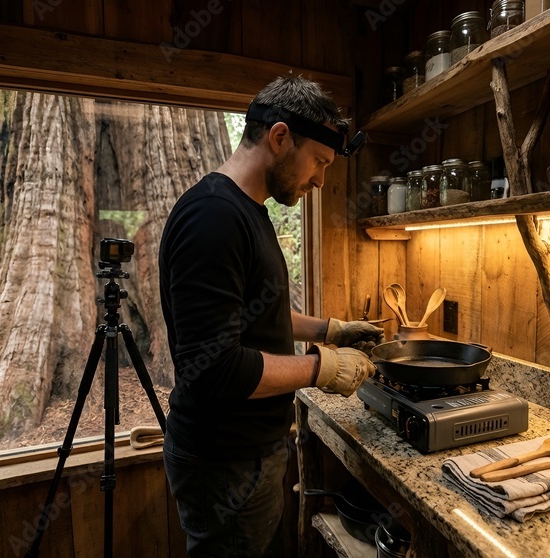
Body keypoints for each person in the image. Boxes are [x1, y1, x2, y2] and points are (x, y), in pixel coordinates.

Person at [158, 75, 382, 557]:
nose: (321, 180)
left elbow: (258, 313)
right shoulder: (213, 218)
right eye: (319, 162)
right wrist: (323, 367)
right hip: (225, 462)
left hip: (245, 455)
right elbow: (217, 368)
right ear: (280, 137)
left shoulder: (247, 210)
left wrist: (329, 329)